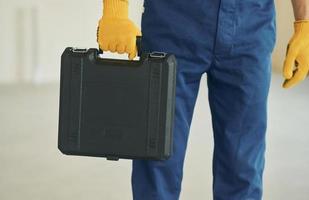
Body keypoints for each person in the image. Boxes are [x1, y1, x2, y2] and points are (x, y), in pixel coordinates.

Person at [97, 0, 309, 199]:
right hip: (171, 22)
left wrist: (305, 23)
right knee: (157, 160)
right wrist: (115, 11)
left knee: (243, 166)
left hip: (251, 27)